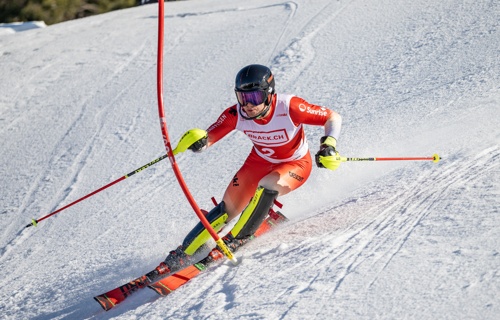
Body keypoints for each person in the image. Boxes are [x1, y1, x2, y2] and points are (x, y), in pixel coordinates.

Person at [151, 64, 342, 277]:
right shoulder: (236, 113)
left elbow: (332, 117)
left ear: (269, 94)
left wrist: (328, 145)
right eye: (242, 98)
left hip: (295, 164)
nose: (247, 105)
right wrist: (198, 142)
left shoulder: (290, 107)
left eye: (254, 98)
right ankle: (184, 253)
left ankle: (237, 238)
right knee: (227, 209)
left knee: (267, 186)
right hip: (258, 163)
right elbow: (208, 139)